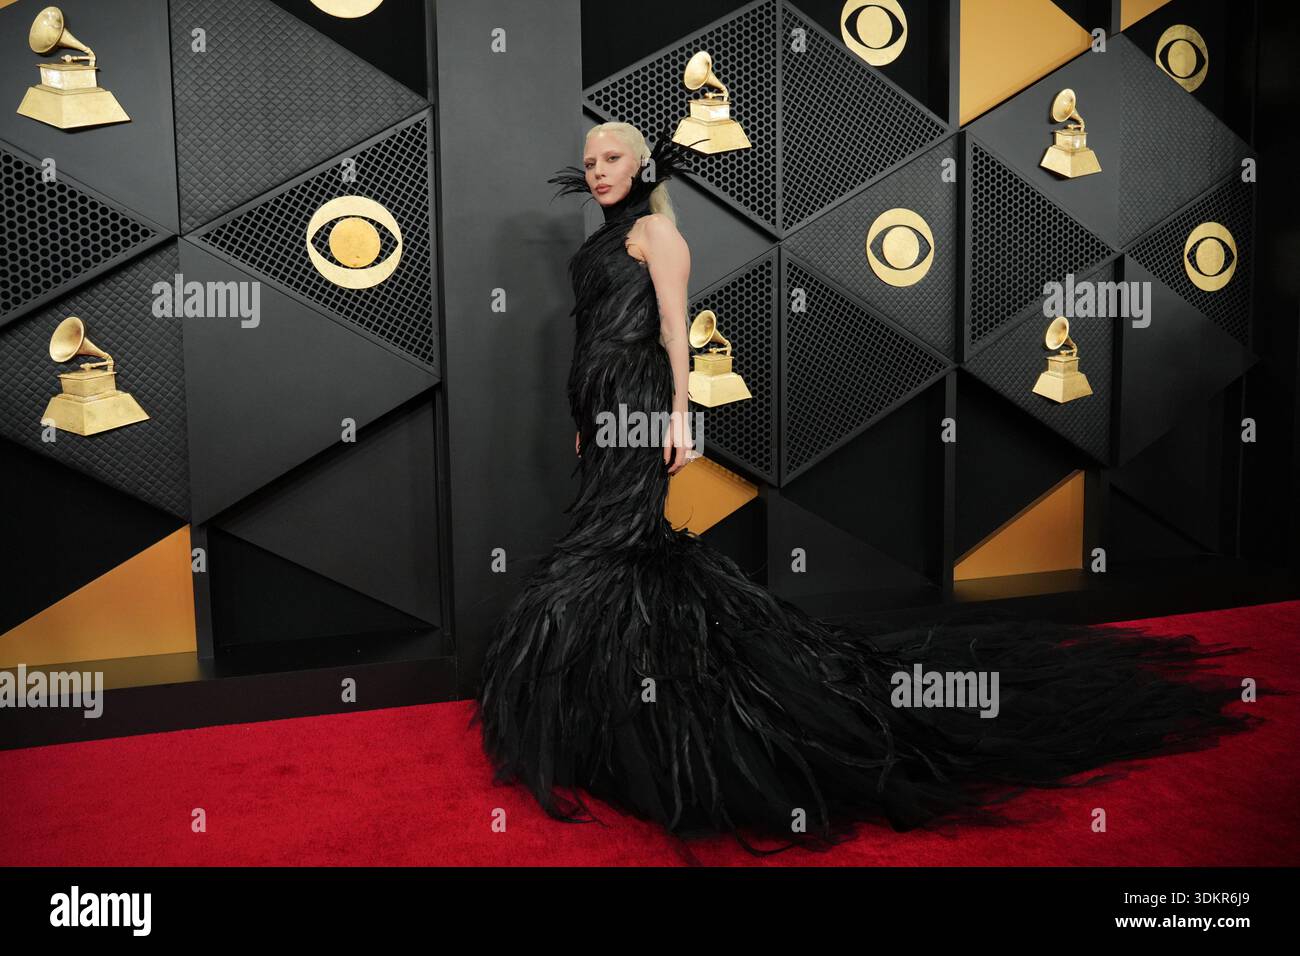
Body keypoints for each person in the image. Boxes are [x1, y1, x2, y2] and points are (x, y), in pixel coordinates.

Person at [468, 121, 1260, 855]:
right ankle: (608, 710)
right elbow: (592, 332)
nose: (598, 170)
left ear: (642, 164)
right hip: (603, 412)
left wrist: (679, 416)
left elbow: (676, 329)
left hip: (642, 406)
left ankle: (643, 716)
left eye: (612, 158)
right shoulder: (606, 243)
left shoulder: (657, 233)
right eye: (592, 160)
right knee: (611, 551)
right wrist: (583, 416)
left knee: (613, 547)